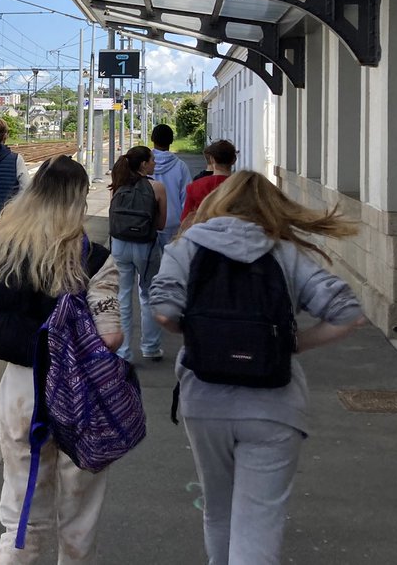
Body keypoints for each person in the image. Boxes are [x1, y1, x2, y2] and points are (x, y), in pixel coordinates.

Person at [149, 171, 365, 565]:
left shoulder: (187, 247)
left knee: (218, 512)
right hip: (274, 406)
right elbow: (348, 314)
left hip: (204, 401)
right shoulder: (286, 252)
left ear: (220, 203)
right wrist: (290, 344)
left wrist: (206, 339)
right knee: (259, 523)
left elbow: (163, 313)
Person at [0, 155, 122, 564]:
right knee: (77, 521)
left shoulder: (2, 248)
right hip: (79, 395)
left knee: (22, 518)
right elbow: (111, 337)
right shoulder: (92, 258)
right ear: (77, 200)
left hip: (20, 390)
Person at [108, 146, 168, 362]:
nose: (154, 163)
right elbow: (160, 224)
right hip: (145, 246)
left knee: (123, 297)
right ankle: (150, 347)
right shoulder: (157, 187)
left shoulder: (119, 185)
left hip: (119, 245)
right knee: (148, 294)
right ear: (143, 164)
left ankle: (124, 353)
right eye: (151, 160)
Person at [149, 123, 192, 247]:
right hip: (173, 223)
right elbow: (186, 197)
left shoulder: (145, 164)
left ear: (152, 139)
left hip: (148, 222)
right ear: (172, 141)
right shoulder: (180, 166)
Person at [180, 140, 237, 225]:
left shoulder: (195, 186)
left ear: (212, 159)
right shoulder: (242, 185)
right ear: (234, 160)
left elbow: (185, 220)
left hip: (202, 235)